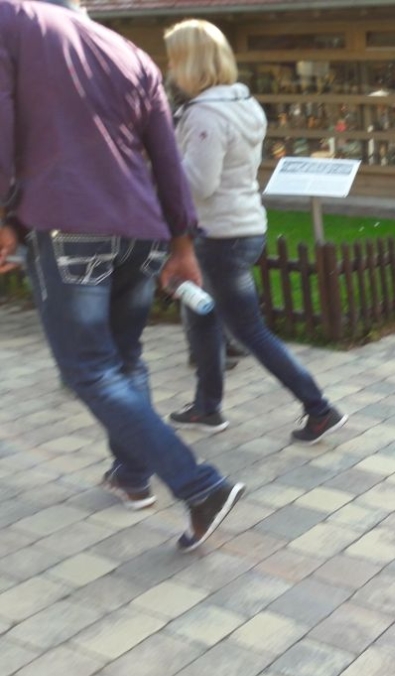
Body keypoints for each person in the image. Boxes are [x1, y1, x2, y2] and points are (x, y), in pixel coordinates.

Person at [0, 0, 243, 551]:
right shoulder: (129, 51)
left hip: (69, 226)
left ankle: (200, 486)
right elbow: (167, 159)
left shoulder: (11, 20)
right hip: (142, 233)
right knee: (124, 361)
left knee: (90, 370)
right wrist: (182, 244)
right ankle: (132, 476)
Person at [163, 19, 347, 444]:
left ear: (189, 62)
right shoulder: (243, 102)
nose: (169, 68)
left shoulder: (205, 113)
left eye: (173, 59)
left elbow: (198, 184)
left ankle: (319, 409)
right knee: (201, 315)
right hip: (242, 226)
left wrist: (159, 165)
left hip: (219, 236)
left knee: (248, 330)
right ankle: (206, 407)